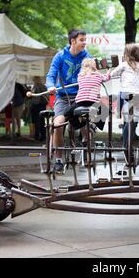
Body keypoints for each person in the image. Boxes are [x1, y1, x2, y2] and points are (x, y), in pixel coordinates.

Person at [46, 29, 92, 172]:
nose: (85, 42)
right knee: (58, 124)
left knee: (86, 121)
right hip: (63, 98)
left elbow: (92, 74)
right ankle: (59, 159)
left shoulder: (87, 57)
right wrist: (51, 86)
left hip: (81, 97)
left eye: (85, 39)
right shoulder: (60, 56)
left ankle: (85, 142)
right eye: (82, 40)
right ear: (73, 41)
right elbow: (51, 75)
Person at [111, 44, 139, 174]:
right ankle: (130, 137)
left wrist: (109, 74)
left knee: (127, 117)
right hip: (137, 94)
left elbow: (113, 74)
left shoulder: (124, 64)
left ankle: (126, 145)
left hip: (126, 93)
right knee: (134, 117)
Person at [66, 58, 110, 131]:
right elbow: (106, 78)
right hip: (94, 102)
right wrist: (108, 72)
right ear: (94, 66)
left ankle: (78, 125)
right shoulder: (98, 75)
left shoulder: (80, 76)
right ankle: (96, 123)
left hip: (80, 101)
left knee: (67, 113)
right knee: (106, 110)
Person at [29, 76, 48, 141]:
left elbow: (32, 95)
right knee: (42, 122)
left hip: (37, 106)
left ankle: (37, 136)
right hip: (42, 105)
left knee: (37, 122)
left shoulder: (36, 86)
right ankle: (43, 136)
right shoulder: (44, 86)